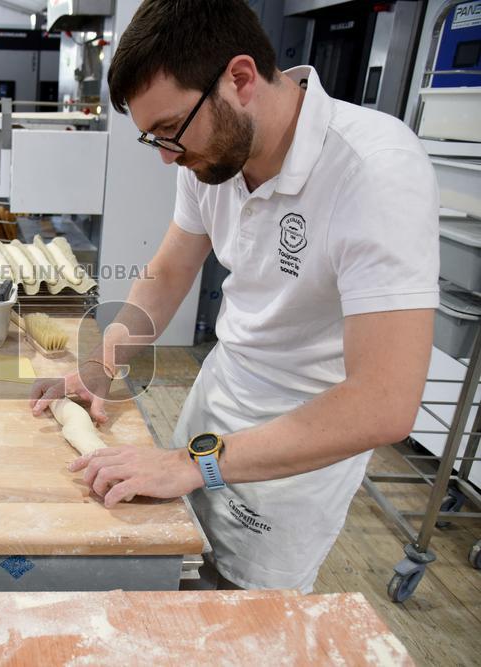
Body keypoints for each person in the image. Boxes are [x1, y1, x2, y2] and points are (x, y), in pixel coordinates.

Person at [30, 0, 438, 593]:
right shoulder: (210, 161)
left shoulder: (373, 172)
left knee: (239, 610)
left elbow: (383, 403)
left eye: (170, 130)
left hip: (295, 450)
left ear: (240, 79)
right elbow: (170, 272)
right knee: (175, 569)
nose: (168, 155)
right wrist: (99, 367)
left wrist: (187, 464)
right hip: (215, 402)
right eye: (153, 139)